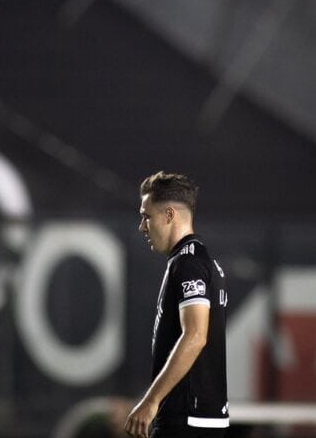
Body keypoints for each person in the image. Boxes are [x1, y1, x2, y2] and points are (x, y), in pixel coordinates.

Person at [124, 172, 229, 438]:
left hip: (187, 421)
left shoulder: (188, 264)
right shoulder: (202, 262)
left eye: (146, 216)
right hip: (199, 419)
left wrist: (151, 401)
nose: (142, 226)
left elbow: (195, 335)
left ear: (169, 215)